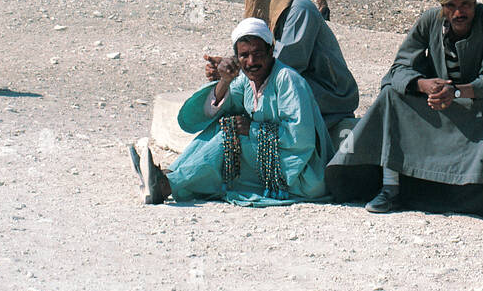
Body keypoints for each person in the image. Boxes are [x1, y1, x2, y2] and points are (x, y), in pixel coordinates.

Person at [327, 0, 483, 225]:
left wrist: (458, 92)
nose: (459, 12)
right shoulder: (430, 21)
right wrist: (423, 85)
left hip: (474, 104)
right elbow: (398, 70)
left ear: (476, 1)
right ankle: (390, 188)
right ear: (442, 6)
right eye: (451, 5)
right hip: (437, 101)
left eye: (466, 4)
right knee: (391, 96)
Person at [132, 18, 333, 207]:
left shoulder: (287, 80)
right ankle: (169, 174)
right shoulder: (247, 81)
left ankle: (166, 185)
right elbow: (220, 105)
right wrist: (225, 80)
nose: (252, 61)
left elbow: (301, 139)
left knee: (228, 139)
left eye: (258, 54)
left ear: (271, 51)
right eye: (244, 55)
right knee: (221, 124)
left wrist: (252, 129)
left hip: (299, 170)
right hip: (274, 156)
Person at [207, 0, 358, 128]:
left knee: (255, 95)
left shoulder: (299, 10)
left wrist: (235, 72)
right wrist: (230, 67)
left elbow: (282, 66)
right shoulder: (279, 11)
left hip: (330, 92)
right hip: (307, 82)